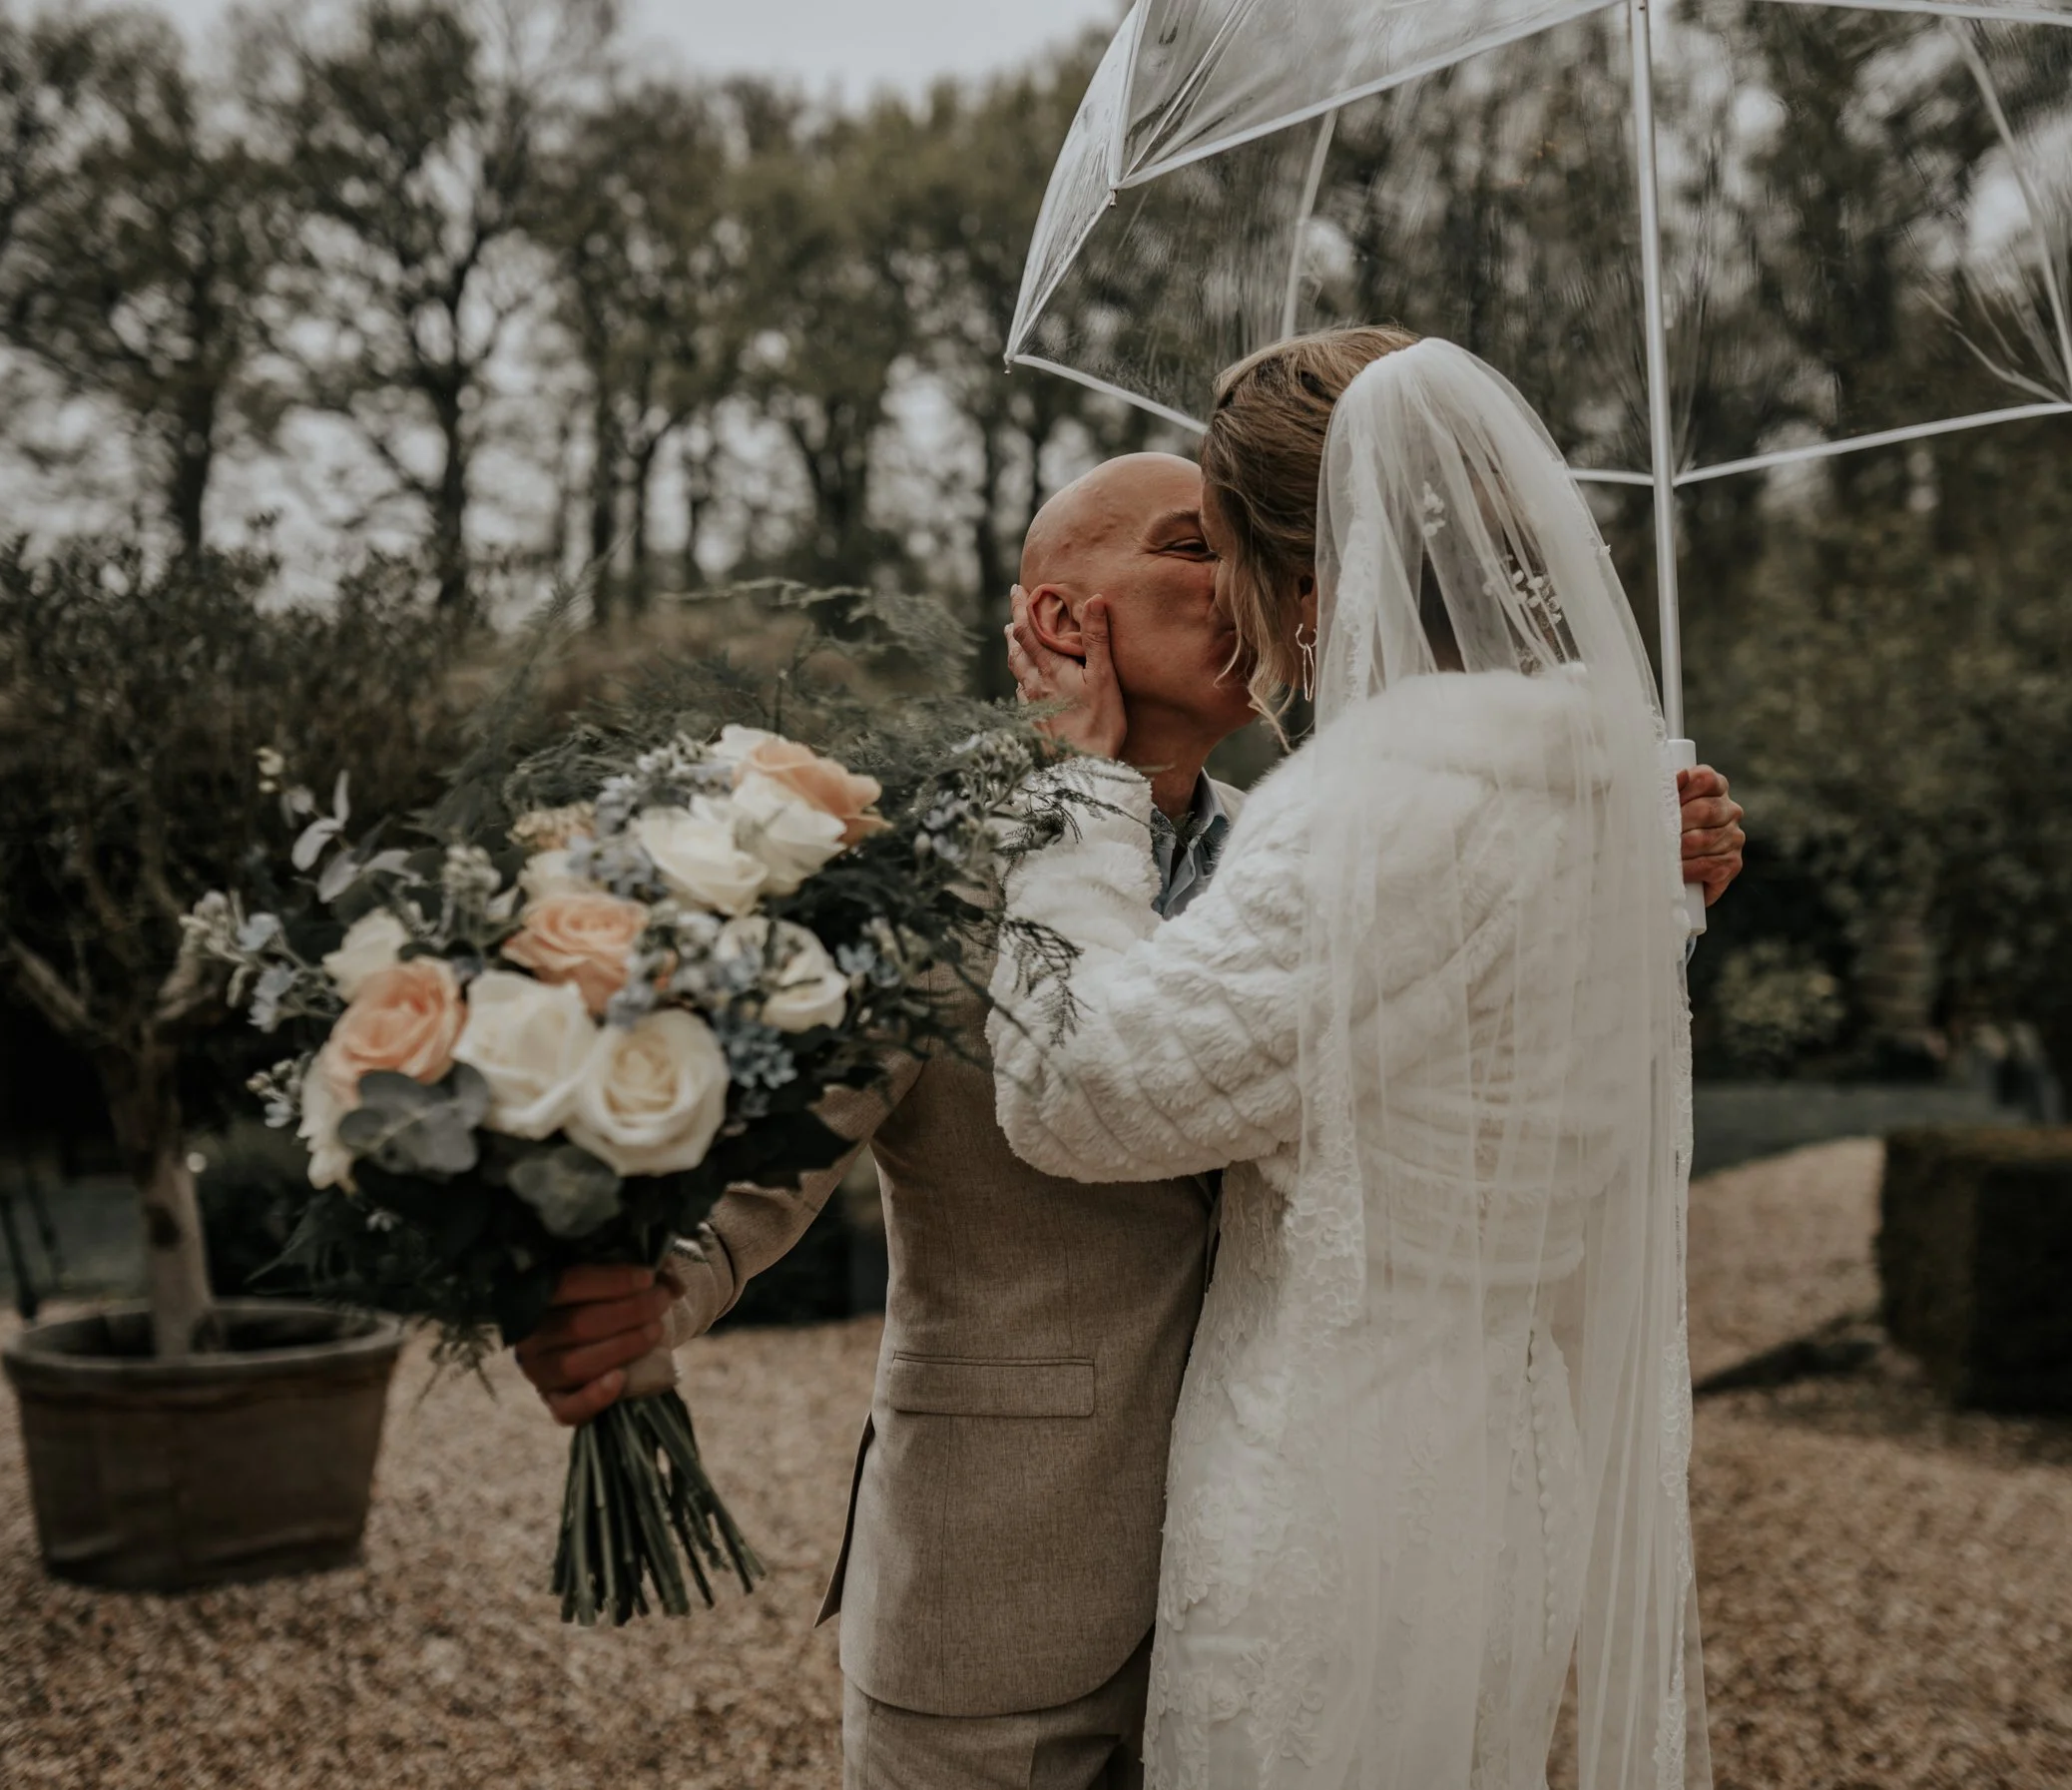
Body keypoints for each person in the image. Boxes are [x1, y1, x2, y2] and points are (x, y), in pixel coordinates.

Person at [511, 448, 1746, 1790]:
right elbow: (763, 1159)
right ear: (1060, 619)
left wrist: (1620, 869)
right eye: (1195, 546)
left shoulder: (1330, 853)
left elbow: (1487, 1061)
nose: (1252, 580)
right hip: (1004, 1592)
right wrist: (630, 1295)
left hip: (1290, 1575)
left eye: (1252, 548)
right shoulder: (920, 869)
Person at [987, 329, 1712, 1789]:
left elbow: (1078, 1088)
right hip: (1508, 1461)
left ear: (1306, 578)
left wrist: (1076, 795)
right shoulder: (1619, 793)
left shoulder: (1381, 805)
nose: (1227, 599)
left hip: (1334, 1479)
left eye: (1226, 552)